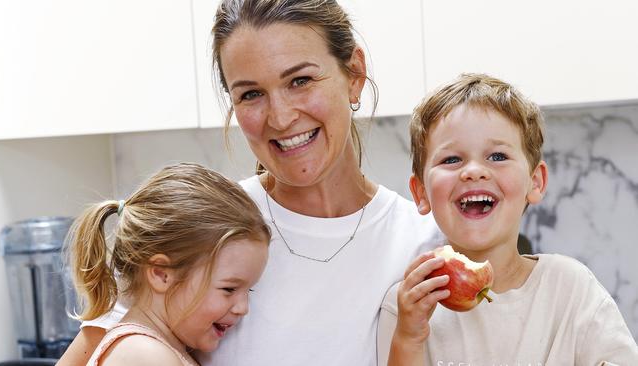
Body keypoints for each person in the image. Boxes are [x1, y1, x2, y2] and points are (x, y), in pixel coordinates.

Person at [57, 1, 443, 365]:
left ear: (354, 74)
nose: (280, 117)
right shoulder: (207, 230)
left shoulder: (424, 242)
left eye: (300, 80)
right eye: (251, 94)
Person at [378, 73, 638, 365]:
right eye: (451, 160)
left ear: (535, 182)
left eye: (498, 156)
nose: (474, 171)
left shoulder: (570, 289)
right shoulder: (409, 307)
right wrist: (409, 338)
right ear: (421, 192)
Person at [64, 163, 270, 365]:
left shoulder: (159, 350)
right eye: (229, 289)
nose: (243, 308)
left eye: (248, 291)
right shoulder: (144, 355)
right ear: (161, 274)